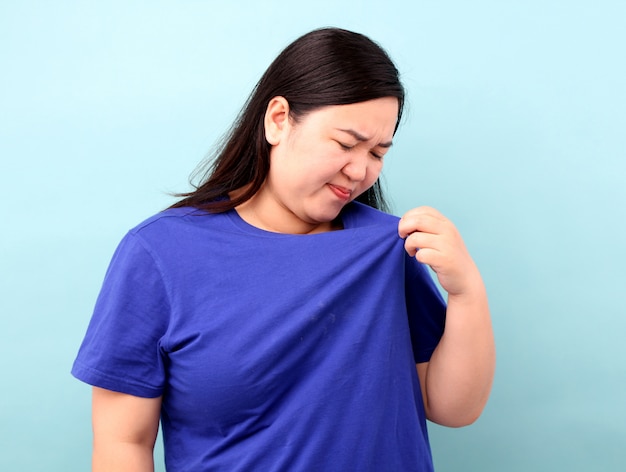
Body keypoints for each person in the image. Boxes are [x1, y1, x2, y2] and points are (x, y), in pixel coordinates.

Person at [72, 27, 495, 472]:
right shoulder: (159, 254)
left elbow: (452, 408)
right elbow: (124, 444)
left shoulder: (391, 250)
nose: (360, 169)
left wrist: (467, 291)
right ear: (278, 119)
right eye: (346, 143)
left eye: (378, 153)